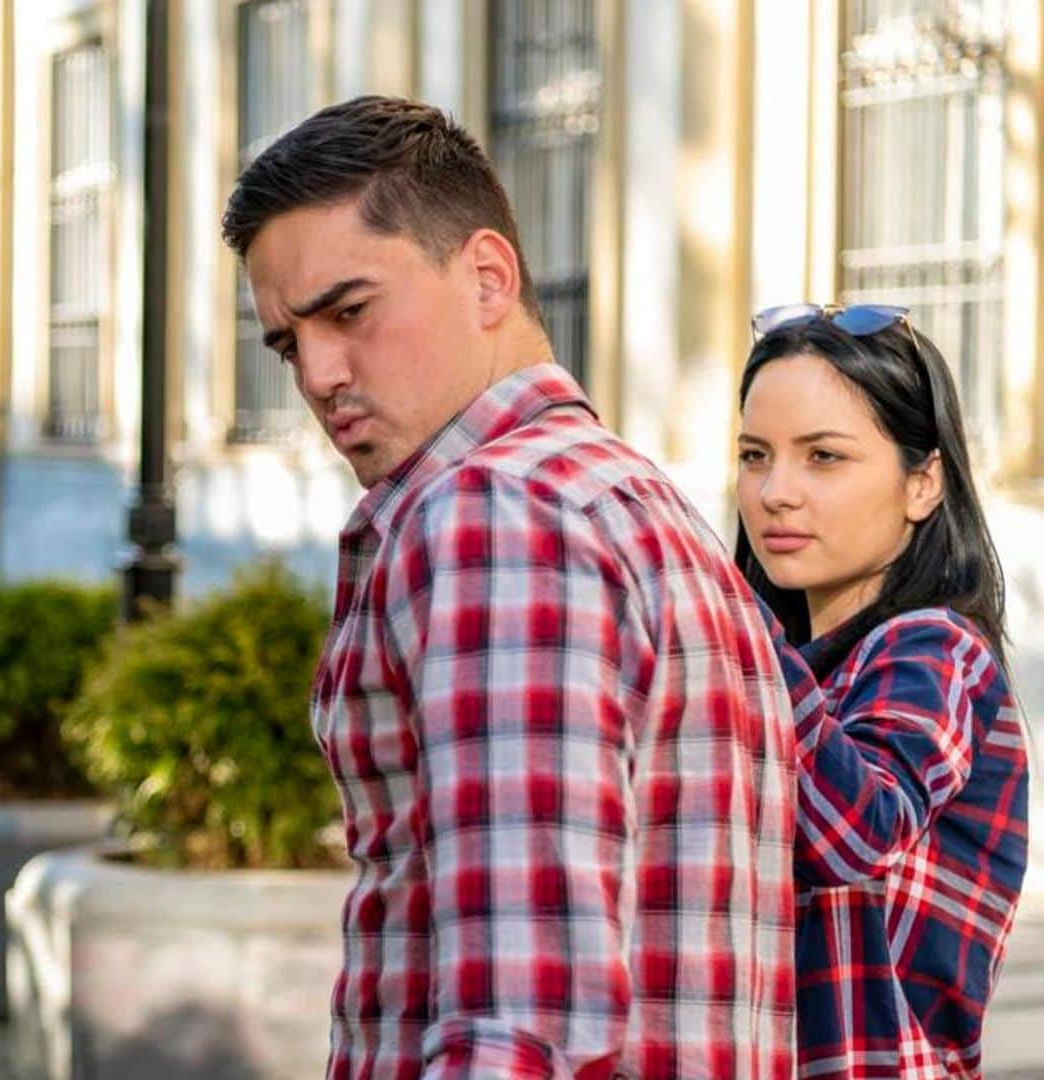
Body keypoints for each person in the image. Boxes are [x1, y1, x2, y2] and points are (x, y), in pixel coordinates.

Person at [223, 95, 796, 1078]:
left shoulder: (499, 518)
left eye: (350, 311)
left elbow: (520, 1018)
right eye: (287, 342)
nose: (317, 373)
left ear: (488, 276)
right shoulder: (626, 497)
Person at [735, 303, 1029, 1078]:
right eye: (755, 455)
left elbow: (854, 830)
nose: (775, 492)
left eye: (824, 457)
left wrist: (730, 625)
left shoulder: (934, 649)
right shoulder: (787, 666)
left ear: (923, 483)